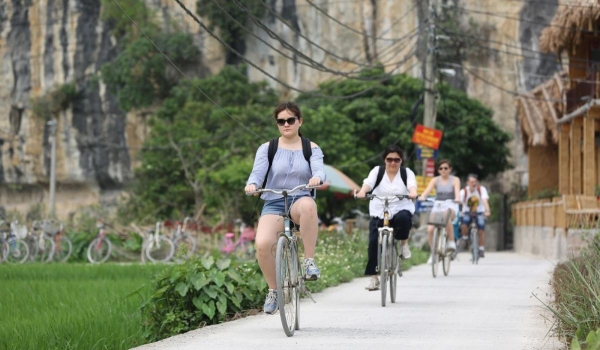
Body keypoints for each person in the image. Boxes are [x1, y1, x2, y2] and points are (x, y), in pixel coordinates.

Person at [244, 102, 326, 315]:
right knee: (262, 243)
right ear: (277, 124)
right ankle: (273, 291)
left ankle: (309, 262)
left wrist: (317, 177)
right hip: (274, 200)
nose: (286, 124)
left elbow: (319, 170)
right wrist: (252, 185)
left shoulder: (312, 148)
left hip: (299, 198)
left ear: (300, 121)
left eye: (290, 120)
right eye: (281, 121)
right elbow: (257, 173)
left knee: (309, 206)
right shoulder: (267, 148)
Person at [356, 145, 418, 291]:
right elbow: (368, 184)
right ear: (384, 160)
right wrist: (362, 192)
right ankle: (373, 278)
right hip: (379, 210)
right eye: (389, 159)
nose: (393, 163)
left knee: (404, 219)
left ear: (401, 161)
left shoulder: (406, 173)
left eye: (397, 160)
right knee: (373, 242)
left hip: (399, 208)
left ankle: (403, 245)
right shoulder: (377, 171)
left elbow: (412, 185)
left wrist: (413, 192)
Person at [418, 159, 460, 263]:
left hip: (451, 204)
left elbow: (457, 192)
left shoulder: (455, 180)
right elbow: (427, 191)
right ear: (438, 170)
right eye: (441, 168)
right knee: (430, 229)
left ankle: (451, 241)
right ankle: (433, 253)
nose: (443, 170)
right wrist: (422, 197)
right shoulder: (435, 180)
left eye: (446, 168)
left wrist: (457, 198)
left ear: (450, 169)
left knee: (447, 214)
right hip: (438, 205)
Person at [459, 174, 491, 258]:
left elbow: (484, 200)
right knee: (464, 223)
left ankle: (481, 249)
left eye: (475, 182)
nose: (474, 184)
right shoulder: (463, 192)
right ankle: (465, 238)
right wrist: (460, 211)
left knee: (481, 227)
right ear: (467, 183)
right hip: (467, 212)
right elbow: (458, 202)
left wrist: (487, 210)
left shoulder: (481, 189)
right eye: (472, 182)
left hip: (480, 212)